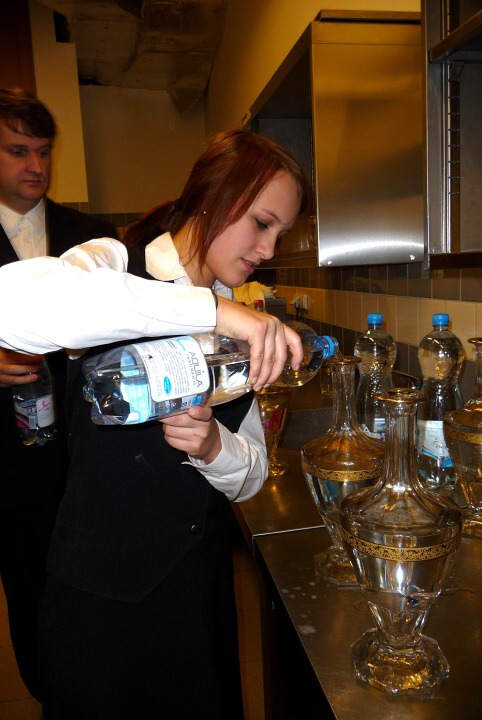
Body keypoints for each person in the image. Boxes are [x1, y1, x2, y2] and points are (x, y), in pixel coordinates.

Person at [0, 128, 308, 719]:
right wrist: (211, 310)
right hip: (100, 598)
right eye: (262, 223)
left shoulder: (245, 322)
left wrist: (214, 446)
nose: (269, 249)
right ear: (214, 195)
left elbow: (252, 474)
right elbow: (12, 304)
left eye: (281, 233)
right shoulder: (112, 262)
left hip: (195, 593)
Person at [0, 87, 118, 700]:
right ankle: (52, 698)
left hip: (94, 460)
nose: (36, 166)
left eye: (43, 152)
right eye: (18, 151)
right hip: (10, 471)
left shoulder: (91, 238)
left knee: (103, 591)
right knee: (32, 597)